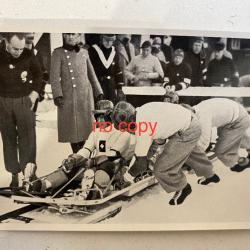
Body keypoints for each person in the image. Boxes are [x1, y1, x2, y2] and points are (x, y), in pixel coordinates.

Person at [111, 101, 219, 205]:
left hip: (186, 130)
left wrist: (126, 177)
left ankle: (182, 187)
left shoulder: (142, 129)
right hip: (190, 121)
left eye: (125, 127)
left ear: (130, 120)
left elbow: (141, 164)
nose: (127, 131)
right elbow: (157, 141)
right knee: (191, 153)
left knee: (161, 169)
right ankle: (210, 174)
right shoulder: (142, 110)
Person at [29, 100, 136, 193]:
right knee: (72, 167)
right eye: (97, 116)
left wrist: (92, 162)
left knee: (107, 166)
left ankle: (95, 189)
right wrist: (74, 159)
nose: (100, 120)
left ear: (111, 116)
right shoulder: (96, 132)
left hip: (113, 167)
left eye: (103, 116)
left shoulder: (123, 133)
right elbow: (86, 149)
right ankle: (46, 184)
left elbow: (113, 155)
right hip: (95, 165)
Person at [0, 32, 43, 187]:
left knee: (28, 138)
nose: (18, 52)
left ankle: (29, 172)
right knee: (8, 138)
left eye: (20, 48)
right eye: (14, 49)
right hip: (3, 101)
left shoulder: (28, 54)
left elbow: (39, 75)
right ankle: (14, 174)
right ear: (6, 43)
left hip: (24, 101)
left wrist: (35, 93)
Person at [50, 33, 104, 154]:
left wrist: (98, 91)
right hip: (69, 96)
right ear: (63, 36)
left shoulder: (84, 52)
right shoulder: (58, 53)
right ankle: (77, 156)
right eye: (67, 34)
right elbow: (54, 76)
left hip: (85, 95)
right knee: (73, 130)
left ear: (78, 36)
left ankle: (85, 156)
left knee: (87, 128)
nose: (70, 37)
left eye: (73, 34)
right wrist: (57, 94)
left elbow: (91, 73)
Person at [192, 98, 250, 172]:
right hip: (236, 114)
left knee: (221, 151)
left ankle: (244, 162)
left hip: (237, 121)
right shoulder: (197, 109)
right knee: (233, 138)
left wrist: (196, 157)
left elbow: (204, 142)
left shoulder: (202, 119)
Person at [88, 34, 124, 104]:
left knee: (111, 109)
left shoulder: (114, 52)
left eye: (111, 41)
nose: (108, 43)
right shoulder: (93, 50)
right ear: (102, 39)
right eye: (106, 40)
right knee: (99, 108)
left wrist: (119, 88)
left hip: (111, 87)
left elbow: (118, 71)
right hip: (98, 86)